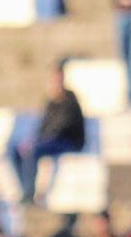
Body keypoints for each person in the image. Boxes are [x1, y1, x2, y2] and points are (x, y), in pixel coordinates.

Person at [11, 61, 88, 205]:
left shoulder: (70, 100)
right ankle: (25, 189)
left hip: (68, 142)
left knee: (33, 151)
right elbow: (43, 127)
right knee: (15, 150)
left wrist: (38, 141)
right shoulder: (51, 102)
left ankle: (29, 193)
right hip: (50, 140)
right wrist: (33, 140)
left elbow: (62, 127)